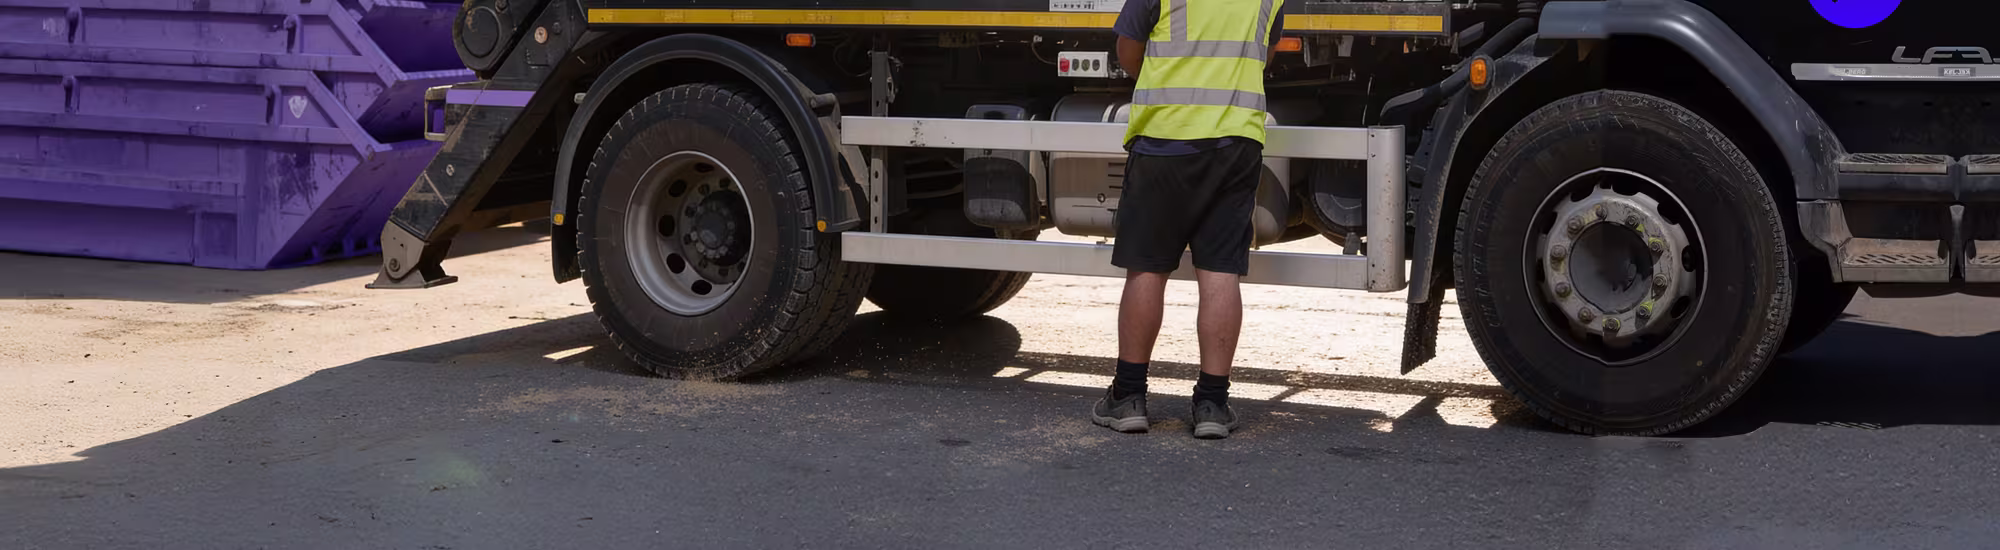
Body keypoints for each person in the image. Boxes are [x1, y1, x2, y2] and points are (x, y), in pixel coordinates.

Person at [1093, 0, 1289, 440]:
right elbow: (1266, 54)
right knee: (1220, 271)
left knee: (1147, 266)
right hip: (1237, 142)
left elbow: (1128, 51)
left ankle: (1127, 397)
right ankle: (1213, 405)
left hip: (1166, 138)